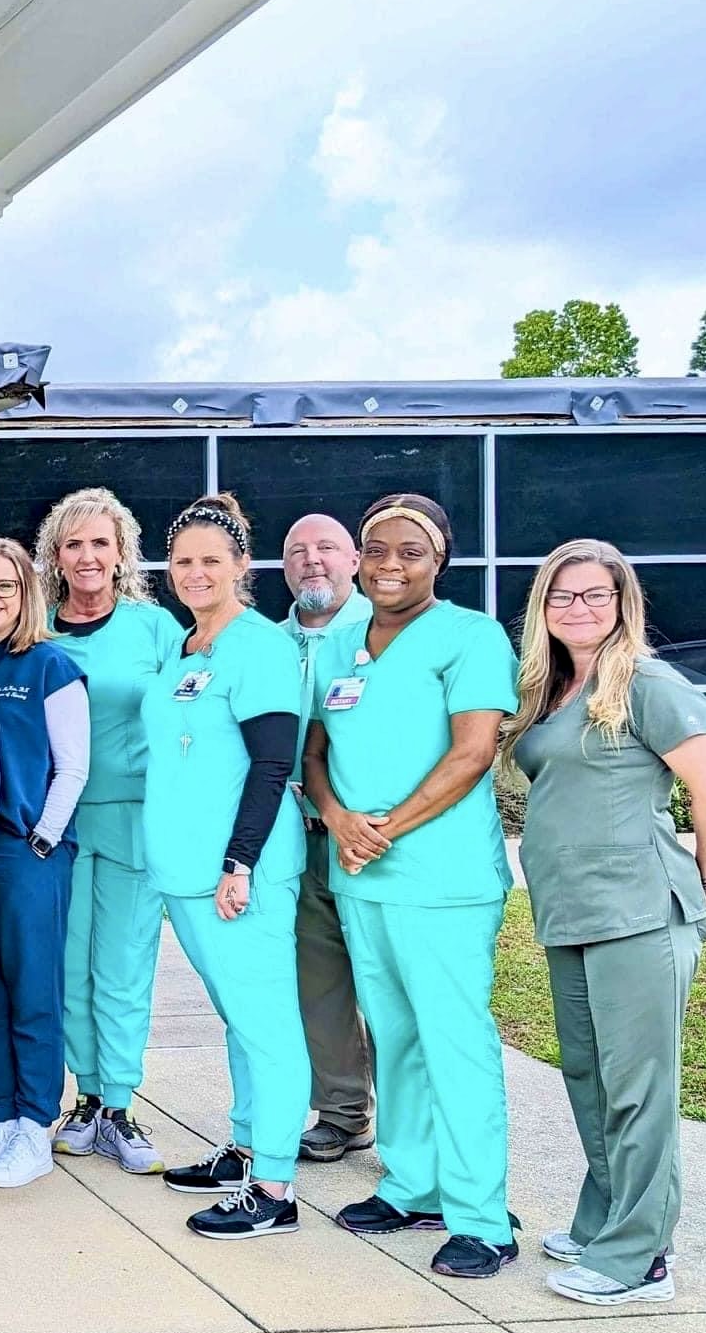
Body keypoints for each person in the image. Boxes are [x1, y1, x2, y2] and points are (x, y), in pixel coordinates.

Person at [301, 493, 520, 1277]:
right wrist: (335, 816)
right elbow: (314, 753)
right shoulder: (338, 645)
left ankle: (481, 1217)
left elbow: (472, 755)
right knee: (393, 1038)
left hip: (442, 879)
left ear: (439, 561)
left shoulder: (470, 636)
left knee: (453, 1040)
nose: (390, 564)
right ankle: (412, 1183)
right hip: (361, 877)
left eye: (410, 551)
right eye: (376, 548)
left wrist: (384, 826)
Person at [503, 540, 706, 1306]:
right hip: (571, 910)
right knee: (591, 1078)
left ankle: (642, 1255)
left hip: (639, 911)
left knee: (639, 1086)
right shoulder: (553, 687)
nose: (578, 609)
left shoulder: (649, 682)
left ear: (622, 603)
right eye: (563, 596)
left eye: (594, 595)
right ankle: (605, 1218)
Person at [140, 495, 310, 1241]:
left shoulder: (260, 645)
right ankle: (244, 1147)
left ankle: (274, 1184)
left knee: (267, 1023)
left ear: (244, 565)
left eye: (213, 559)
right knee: (237, 1018)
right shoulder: (185, 647)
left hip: (239, 876)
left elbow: (273, 762)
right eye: (183, 561)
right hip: (182, 874)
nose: (196, 572)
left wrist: (240, 859)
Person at [35, 487, 183, 1174]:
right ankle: (84, 1098)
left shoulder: (154, 629)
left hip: (133, 816)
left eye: (101, 542)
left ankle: (119, 1101)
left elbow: (190, 718)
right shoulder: (34, 628)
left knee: (122, 964)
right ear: (56, 556)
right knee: (68, 968)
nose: (88, 555)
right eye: (75, 543)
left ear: (121, 552)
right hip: (54, 822)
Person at [0, 537, 89, 1191]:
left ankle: (36, 1122)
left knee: (32, 989)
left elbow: (73, 766)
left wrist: (41, 840)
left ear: (25, 591)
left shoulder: (48, 665)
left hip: (25, 849)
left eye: (4, 585)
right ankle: (0, 1112)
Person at [278, 515, 377, 1164]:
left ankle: (413, 1128)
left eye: (326, 548)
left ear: (355, 559)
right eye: (296, 551)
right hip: (295, 840)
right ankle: (343, 1112)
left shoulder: (387, 632)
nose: (312, 560)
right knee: (320, 984)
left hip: (370, 840)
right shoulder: (264, 640)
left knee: (391, 985)